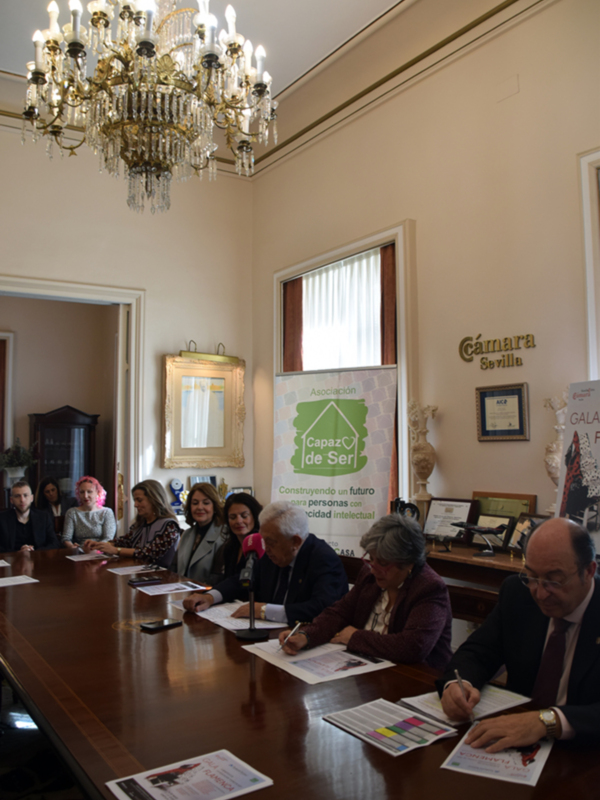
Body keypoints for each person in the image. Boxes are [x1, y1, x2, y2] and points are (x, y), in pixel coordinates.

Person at [439, 518, 600, 749]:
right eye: (532, 577)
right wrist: (458, 684)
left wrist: (547, 721)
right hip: (514, 743)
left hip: (584, 752)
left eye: (554, 581)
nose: (541, 593)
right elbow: (479, 651)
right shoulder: (517, 593)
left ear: (589, 571)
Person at [279, 513, 452, 669]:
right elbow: (340, 612)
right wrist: (306, 636)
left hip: (415, 676)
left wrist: (355, 637)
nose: (373, 568)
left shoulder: (429, 588)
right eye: (370, 558)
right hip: (367, 667)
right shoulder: (370, 575)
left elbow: (414, 646)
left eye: (383, 563)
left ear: (408, 562)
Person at [183, 501, 348, 624]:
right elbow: (242, 580)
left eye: (271, 542)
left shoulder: (323, 558)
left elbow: (323, 608)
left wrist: (264, 611)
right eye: (263, 539)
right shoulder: (271, 551)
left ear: (296, 542)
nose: (265, 547)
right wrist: (211, 597)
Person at [91, 480, 180, 567]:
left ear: (154, 500)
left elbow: (149, 553)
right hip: (139, 571)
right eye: (135, 500)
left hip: (162, 575)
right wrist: (99, 545)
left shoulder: (169, 525)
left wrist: (116, 550)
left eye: (139, 500)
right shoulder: (141, 523)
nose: (135, 505)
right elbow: (125, 541)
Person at [173, 483, 224, 584]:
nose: (200, 507)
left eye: (206, 503)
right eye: (195, 503)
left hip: (207, 594)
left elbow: (218, 578)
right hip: (181, 592)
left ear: (215, 507)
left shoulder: (224, 535)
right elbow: (173, 568)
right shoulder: (187, 534)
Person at [213, 492, 264, 579]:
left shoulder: (262, 546)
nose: (239, 521)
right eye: (233, 517)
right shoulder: (229, 548)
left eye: (244, 516)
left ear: (255, 517)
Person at [0, 480, 60, 552]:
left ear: (32, 498)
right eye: (17, 496)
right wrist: (18, 553)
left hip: (39, 559)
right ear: (11, 500)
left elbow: (54, 543)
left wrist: (33, 552)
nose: (22, 500)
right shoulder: (2, 519)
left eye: (25, 495)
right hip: (12, 561)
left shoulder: (43, 517)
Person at [62, 476, 116, 552]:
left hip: (101, 551)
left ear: (98, 493)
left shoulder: (106, 512)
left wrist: (94, 548)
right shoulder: (72, 512)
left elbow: (108, 538)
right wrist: (73, 547)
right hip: (80, 551)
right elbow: (66, 538)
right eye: (82, 492)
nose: (85, 496)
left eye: (89, 491)